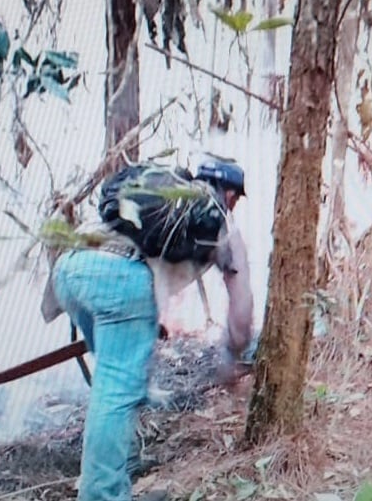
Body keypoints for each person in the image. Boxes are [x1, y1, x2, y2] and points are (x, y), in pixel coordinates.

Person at [41, 159, 254, 501]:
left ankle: (117, 471)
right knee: (117, 388)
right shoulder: (219, 222)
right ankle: (103, 494)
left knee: (118, 381)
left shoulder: (162, 188)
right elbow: (241, 316)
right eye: (235, 199)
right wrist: (234, 354)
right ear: (230, 195)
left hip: (69, 268)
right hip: (119, 281)